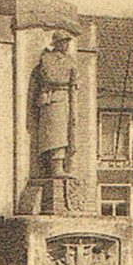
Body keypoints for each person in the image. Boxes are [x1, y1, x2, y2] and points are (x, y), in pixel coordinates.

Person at [32, 32, 78, 176]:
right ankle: (55, 167)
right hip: (53, 98)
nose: (66, 45)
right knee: (55, 134)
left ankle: (64, 165)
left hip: (67, 98)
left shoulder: (70, 60)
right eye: (64, 42)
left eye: (67, 42)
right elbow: (50, 77)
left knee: (68, 131)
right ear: (57, 43)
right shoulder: (47, 58)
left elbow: (74, 78)